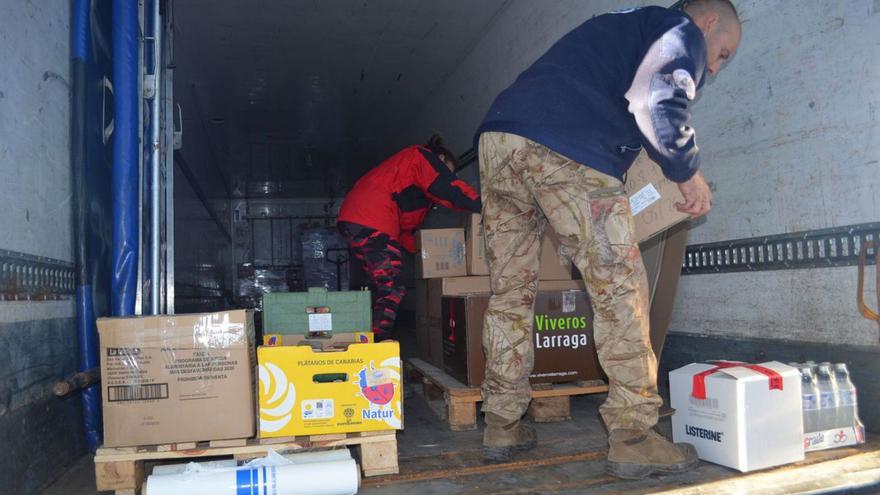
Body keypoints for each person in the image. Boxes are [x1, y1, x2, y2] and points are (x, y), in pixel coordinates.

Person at [474, 0, 742, 478]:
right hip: (565, 146)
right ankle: (633, 435)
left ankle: (502, 422)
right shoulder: (678, 29)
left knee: (510, 291)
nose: (716, 69)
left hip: (501, 140)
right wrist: (688, 173)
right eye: (722, 54)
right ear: (709, 22)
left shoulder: (621, 26)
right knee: (618, 286)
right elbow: (657, 101)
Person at [338, 135, 481, 341]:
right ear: (439, 158)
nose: (449, 174)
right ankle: (377, 344)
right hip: (370, 218)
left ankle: (369, 338)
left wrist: (428, 257)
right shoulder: (419, 157)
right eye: (448, 169)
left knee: (386, 284)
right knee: (392, 286)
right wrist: (482, 204)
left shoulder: (415, 193)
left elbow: (406, 232)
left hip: (358, 221)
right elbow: (446, 186)